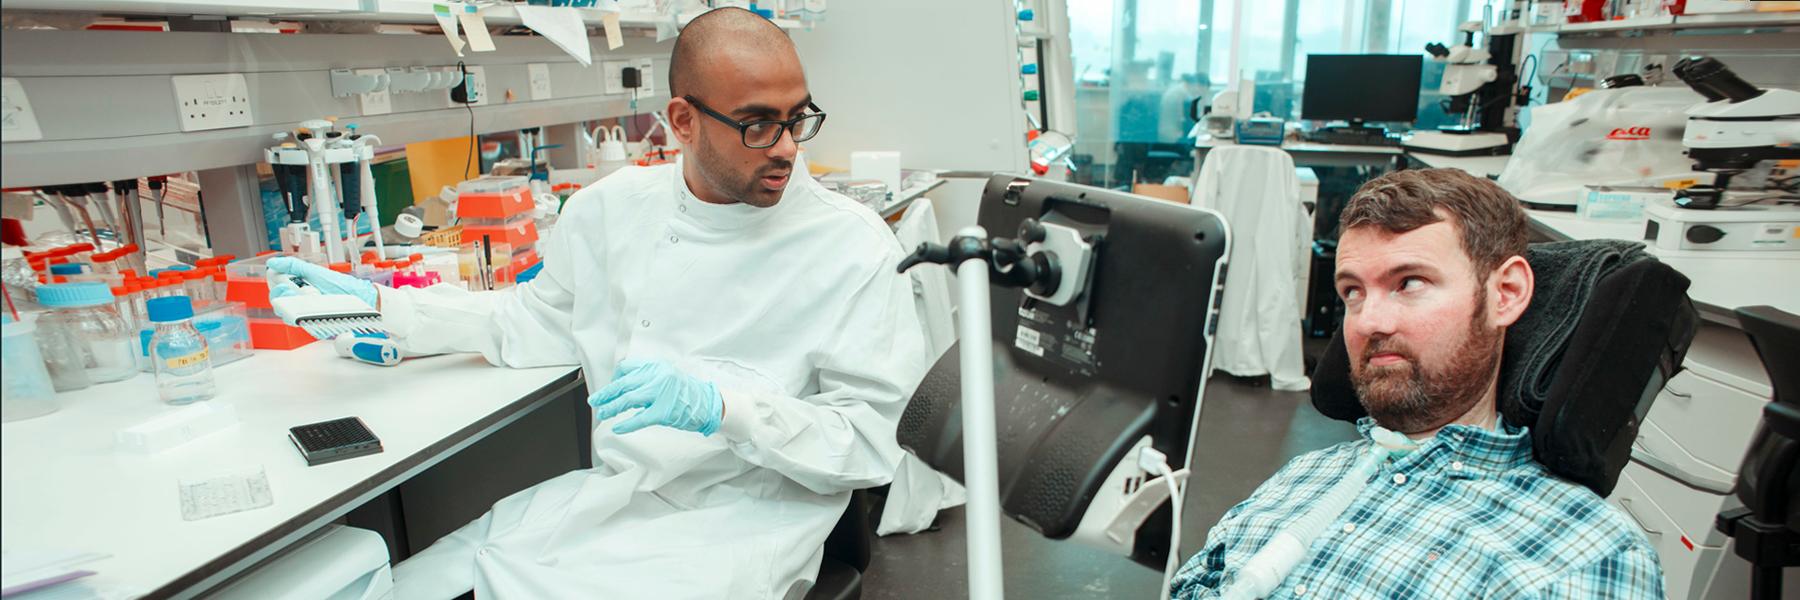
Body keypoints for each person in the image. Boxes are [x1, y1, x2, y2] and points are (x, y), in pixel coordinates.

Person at [266, 8, 927, 598]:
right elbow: (529, 326)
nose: (785, 147)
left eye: (796, 118)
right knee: (405, 585)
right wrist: (385, 312)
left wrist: (725, 409)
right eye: (756, 126)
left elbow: (871, 444)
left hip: (741, 524)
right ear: (682, 120)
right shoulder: (607, 211)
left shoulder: (850, 246)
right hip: (608, 499)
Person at [1170, 169, 1664, 598]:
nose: (1368, 322)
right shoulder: (1308, 475)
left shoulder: (1579, 553)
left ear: (1506, 294)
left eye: (1409, 283)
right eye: (1353, 292)